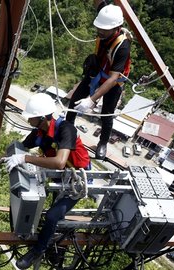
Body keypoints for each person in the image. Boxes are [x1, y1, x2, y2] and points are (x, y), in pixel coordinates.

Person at [5, 93, 91, 269]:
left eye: (31, 118)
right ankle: (51, 238)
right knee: (37, 206)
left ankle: (39, 249)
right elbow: (20, 150)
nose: (29, 121)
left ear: (42, 117)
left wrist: (25, 159)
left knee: (52, 216)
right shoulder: (39, 132)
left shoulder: (66, 129)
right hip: (59, 177)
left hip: (77, 180)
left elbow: (59, 162)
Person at [66, 0, 131, 160]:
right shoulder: (107, 15)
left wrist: (91, 100)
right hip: (97, 71)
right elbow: (98, 2)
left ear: (116, 28)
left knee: (107, 115)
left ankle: (102, 142)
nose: (100, 30)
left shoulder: (122, 46)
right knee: (73, 102)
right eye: (99, 27)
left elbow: (113, 78)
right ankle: (67, 132)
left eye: (104, 29)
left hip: (113, 82)